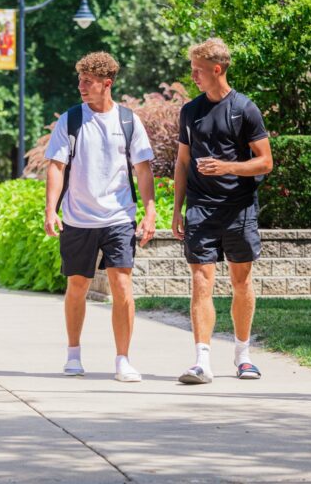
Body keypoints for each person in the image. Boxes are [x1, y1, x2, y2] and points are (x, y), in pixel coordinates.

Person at [43, 52, 157, 383]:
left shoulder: (128, 120)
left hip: (119, 217)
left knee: (122, 284)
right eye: (80, 80)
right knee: (77, 284)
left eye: (88, 82)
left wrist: (149, 212)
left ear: (106, 84)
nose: (81, 86)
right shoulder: (71, 120)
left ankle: (123, 359)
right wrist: (51, 209)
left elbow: (143, 170)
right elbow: (56, 166)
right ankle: (74, 353)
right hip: (78, 218)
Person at [171, 38, 273, 385]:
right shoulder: (190, 111)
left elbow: (265, 161)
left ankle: (243, 356)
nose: (192, 75)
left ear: (217, 69)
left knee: (240, 280)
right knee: (200, 280)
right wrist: (177, 209)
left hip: (239, 208)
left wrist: (228, 167)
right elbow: (183, 162)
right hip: (200, 208)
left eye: (197, 70)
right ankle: (201, 360)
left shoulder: (245, 109)